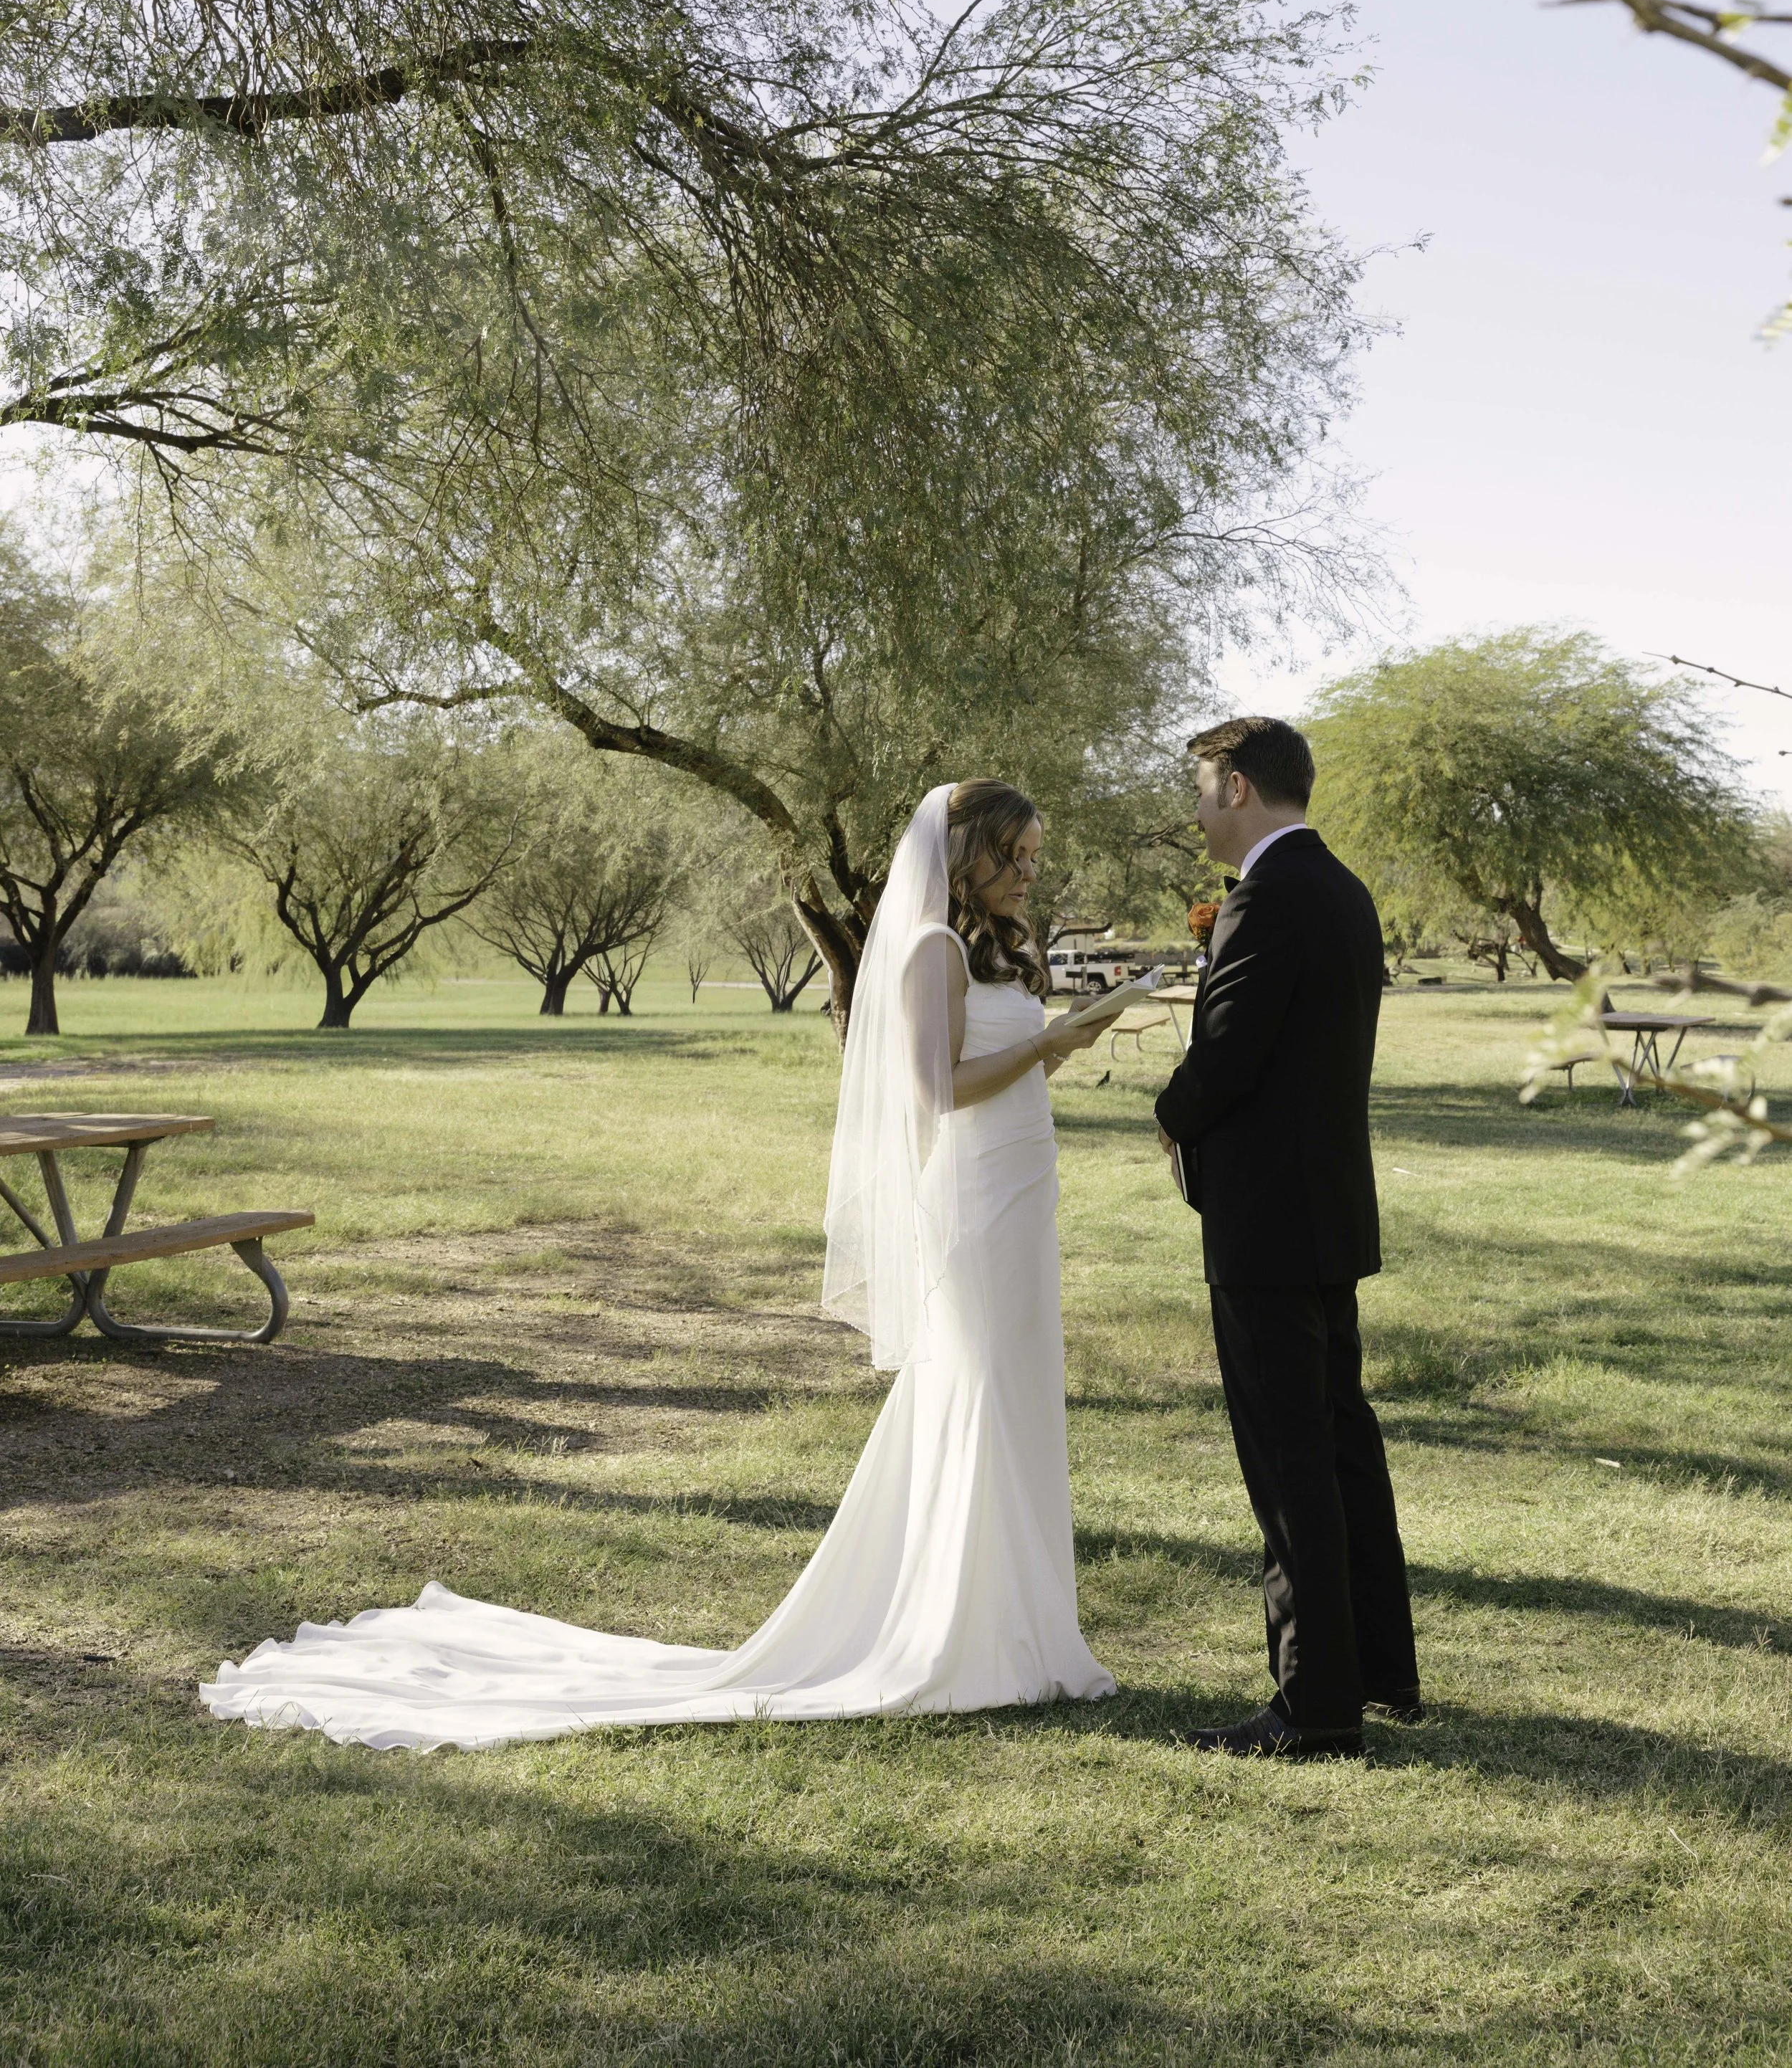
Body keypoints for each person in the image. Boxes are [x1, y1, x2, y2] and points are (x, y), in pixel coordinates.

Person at [201, 779, 1116, 1748]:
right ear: (965, 854)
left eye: (1033, 857)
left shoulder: (997, 952)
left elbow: (1014, 1072)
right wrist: (1054, 1040)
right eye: (1012, 855)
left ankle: (1023, 1629)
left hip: (1024, 1194)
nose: (1027, 873)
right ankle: (963, 1636)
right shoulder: (931, 950)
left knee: (1016, 1396)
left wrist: (1071, 1038)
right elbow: (938, 1091)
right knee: (975, 1394)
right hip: (974, 1204)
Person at [1154, 715, 1419, 1760]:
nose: (1200, 810)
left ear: (1238, 787)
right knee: (1342, 1441)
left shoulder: (1269, 898)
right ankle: (1380, 1669)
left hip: (1267, 1220)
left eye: (1206, 789)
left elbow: (1227, 1054)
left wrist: (1170, 1118)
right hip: (1327, 1210)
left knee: (1290, 1457)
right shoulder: (1342, 888)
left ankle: (1315, 1705)